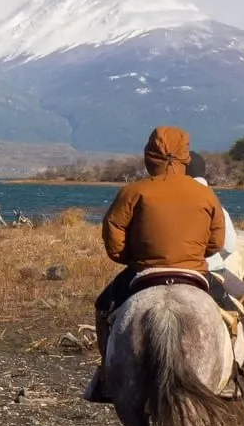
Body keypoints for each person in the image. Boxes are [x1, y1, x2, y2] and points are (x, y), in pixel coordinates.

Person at [89, 126, 225, 394]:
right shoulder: (206, 194)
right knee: (233, 313)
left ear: (149, 156)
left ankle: (107, 375)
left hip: (144, 272)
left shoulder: (133, 191)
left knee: (103, 307)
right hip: (194, 271)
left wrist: (130, 258)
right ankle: (234, 376)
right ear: (185, 156)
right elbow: (217, 241)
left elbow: (113, 233)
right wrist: (194, 256)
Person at [185, 153, 244, 365]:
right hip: (209, 270)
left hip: (159, 268)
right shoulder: (213, 202)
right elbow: (228, 245)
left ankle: (107, 368)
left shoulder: (163, 196)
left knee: (110, 305)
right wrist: (212, 258)